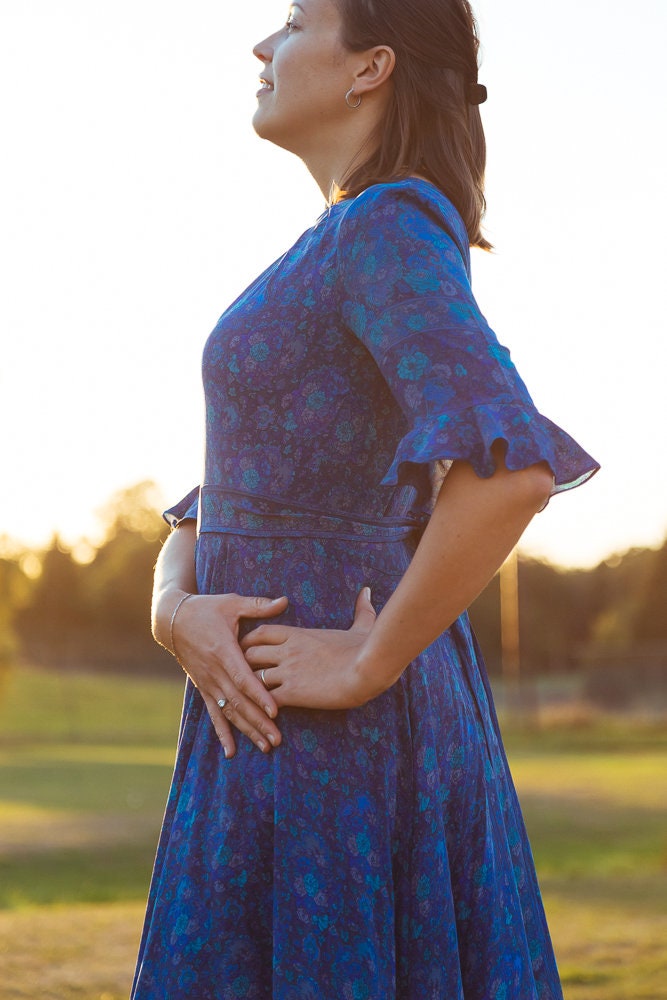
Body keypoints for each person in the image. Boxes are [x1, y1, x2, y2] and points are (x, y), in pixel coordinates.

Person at [131, 0, 599, 997]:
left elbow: (508, 471)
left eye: (295, 23)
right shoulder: (340, 240)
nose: (263, 45)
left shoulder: (386, 228)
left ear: (369, 67)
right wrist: (174, 609)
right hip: (256, 707)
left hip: (327, 736)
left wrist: (364, 662)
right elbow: (217, 498)